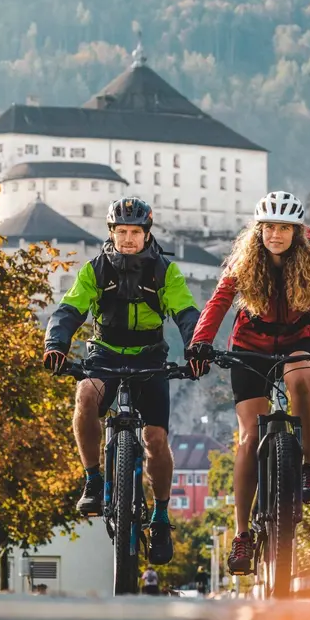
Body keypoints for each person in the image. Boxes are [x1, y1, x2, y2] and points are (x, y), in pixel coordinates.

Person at [184, 191, 310, 575]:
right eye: (269, 227)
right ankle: (242, 535)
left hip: (298, 340)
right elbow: (219, 301)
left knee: (299, 381)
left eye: (284, 228)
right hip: (249, 346)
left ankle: (309, 468)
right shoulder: (244, 260)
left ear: (296, 232)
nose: (275, 234)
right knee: (249, 437)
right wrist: (200, 341)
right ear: (259, 230)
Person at [43, 197, 201, 565]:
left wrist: (197, 349)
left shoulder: (165, 272)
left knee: (156, 439)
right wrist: (56, 345)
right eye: (122, 232)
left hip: (150, 357)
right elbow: (69, 310)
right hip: (105, 353)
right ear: (111, 233)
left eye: (135, 232)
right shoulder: (96, 270)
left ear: (147, 234)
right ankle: (93, 479)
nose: (128, 239)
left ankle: (160, 516)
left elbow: (186, 312)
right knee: (85, 395)